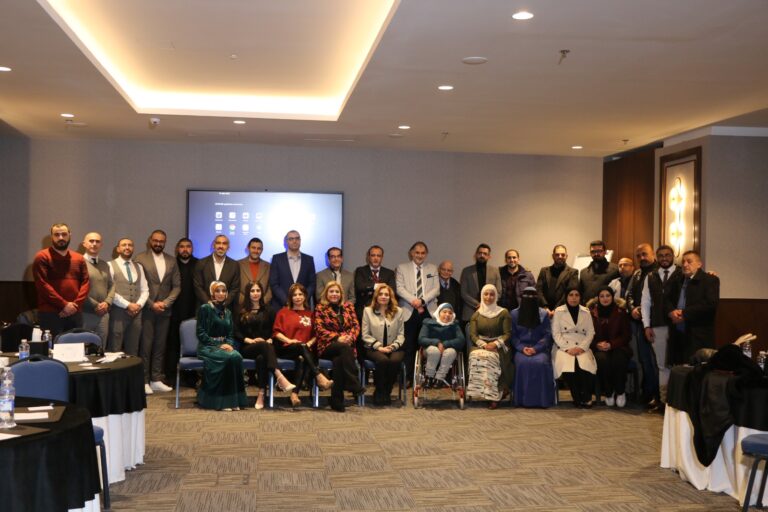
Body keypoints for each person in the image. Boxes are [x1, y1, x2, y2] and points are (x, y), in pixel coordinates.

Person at [235, 281, 296, 409]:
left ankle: (261, 394)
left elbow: (275, 330)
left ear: (262, 293)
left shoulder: (269, 310)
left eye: (258, 290)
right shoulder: (240, 310)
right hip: (247, 347)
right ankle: (279, 375)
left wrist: (270, 339)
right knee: (263, 346)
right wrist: (248, 340)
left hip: (265, 348)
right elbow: (235, 331)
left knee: (261, 358)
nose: (255, 293)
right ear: (248, 293)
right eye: (252, 291)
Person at [135, 230, 181, 395]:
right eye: (155, 240)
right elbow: (137, 286)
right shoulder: (140, 258)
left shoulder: (171, 260)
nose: (158, 244)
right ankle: (144, 380)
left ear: (165, 242)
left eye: (161, 241)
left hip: (164, 311)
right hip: (148, 309)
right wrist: (151, 304)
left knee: (160, 346)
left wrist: (166, 303)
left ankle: (156, 379)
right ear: (150, 241)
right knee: (145, 347)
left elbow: (177, 286)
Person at [272, 283, 331, 407]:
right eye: (295, 295)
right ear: (290, 297)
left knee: (302, 358)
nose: (298, 297)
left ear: (305, 296)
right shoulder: (283, 312)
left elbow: (317, 334)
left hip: (305, 350)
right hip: (286, 348)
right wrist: (289, 340)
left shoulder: (311, 314)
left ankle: (294, 395)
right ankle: (318, 375)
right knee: (301, 348)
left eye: (300, 294)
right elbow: (276, 333)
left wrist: (310, 343)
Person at [640, 244, 683, 412]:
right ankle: (664, 403)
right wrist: (646, 325)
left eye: (667, 255)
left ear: (673, 256)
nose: (664, 258)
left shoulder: (682, 273)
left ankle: (678, 402)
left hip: (680, 327)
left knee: (679, 365)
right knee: (662, 366)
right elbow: (645, 303)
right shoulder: (651, 276)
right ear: (656, 258)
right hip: (658, 325)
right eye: (661, 256)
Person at [195, 281, 248, 411]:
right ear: (212, 293)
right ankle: (221, 402)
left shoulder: (228, 312)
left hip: (224, 347)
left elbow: (230, 334)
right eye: (217, 291)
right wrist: (218, 344)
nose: (221, 293)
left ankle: (234, 400)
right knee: (229, 357)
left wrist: (229, 344)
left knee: (236, 356)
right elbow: (200, 333)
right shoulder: (205, 308)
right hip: (207, 347)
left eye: (223, 291)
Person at [33, 222, 89, 335]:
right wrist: (64, 305)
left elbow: (86, 283)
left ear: (69, 235)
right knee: (52, 345)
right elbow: (42, 285)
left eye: (64, 234)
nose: (61, 238)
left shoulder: (79, 258)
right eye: (57, 235)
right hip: (50, 313)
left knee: (76, 345)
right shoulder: (42, 256)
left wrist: (74, 306)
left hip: (75, 312)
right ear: (51, 237)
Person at [314, 282, 363, 412]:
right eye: (331, 291)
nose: (334, 294)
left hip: (346, 346)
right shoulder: (320, 308)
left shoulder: (348, 307)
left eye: (337, 292)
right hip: (327, 346)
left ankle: (337, 400)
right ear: (326, 293)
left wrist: (349, 337)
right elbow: (319, 329)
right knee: (344, 349)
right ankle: (353, 382)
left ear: (341, 294)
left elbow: (356, 326)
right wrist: (337, 338)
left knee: (339, 361)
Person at [666, 250, 720, 364]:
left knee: (697, 368)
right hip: (678, 333)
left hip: (698, 334)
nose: (685, 264)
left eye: (689, 261)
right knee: (679, 367)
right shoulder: (677, 280)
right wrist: (671, 312)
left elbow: (710, 304)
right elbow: (666, 299)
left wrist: (684, 314)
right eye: (683, 262)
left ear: (699, 264)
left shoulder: (710, 280)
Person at [396, 241, 439, 380]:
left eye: (423, 253)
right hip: (408, 311)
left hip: (428, 311)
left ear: (426, 254)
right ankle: (408, 378)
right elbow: (399, 288)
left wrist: (422, 301)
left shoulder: (433, 268)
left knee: (429, 345)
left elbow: (436, 289)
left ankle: (427, 377)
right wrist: (414, 301)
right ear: (411, 253)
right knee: (408, 345)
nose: (420, 256)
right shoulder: (401, 268)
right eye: (417, 253)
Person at [466, 284, 513, 408]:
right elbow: (473, 335)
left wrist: (495, 344)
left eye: (492, 294)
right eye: (486, 294)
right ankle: (481, 392)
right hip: (481, 346)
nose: (488, 297)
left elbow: (507, 334)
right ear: (482, 296)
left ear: (496, 296)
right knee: (476, 357)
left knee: (490, 359)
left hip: (500, 346)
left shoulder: (503, 313)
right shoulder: (476, 315)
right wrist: (483, 344)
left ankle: (495, 395)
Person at [361, 284, 407, 405]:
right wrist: (379, 347)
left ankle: (387, 391)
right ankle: (379, 390)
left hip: (394, 347)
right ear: (376, 296)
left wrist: (393, 346)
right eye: (381, 294)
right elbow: (365, 335)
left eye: (386, 294)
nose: (383, 296)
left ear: (390, 297)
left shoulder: (399, 311)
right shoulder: (368, 311)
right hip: (373, 348)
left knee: (395, 361)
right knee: (383, 361)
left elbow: (401, 334)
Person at [511, 287, 555, 408]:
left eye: (532, 297)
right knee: (522, 363)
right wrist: (522, 348)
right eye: (526, 296)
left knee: (541, 363)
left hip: (540, 349)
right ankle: (522, 400)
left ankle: (542, 400)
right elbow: (513, 336)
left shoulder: (543, 314)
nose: (529, 299)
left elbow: (547, 334)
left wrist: (536, 348)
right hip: (522, 349)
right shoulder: (514, 314)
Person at [552, 288, 596, 407]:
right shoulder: (559, 311)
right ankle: (577, 396)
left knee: (585, 367)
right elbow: (556, 333)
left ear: (580, 297)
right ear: (566, 297)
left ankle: (586, 396)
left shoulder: (586, 312)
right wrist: (567, 348)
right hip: (563, 347)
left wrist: (581, 348)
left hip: (582, 346)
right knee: (569, 367)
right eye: (571, 295)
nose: (574, 298)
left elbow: (590, 332)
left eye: (577, 295)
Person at [589, 287, 631, 408]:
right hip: (599, 348)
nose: (605, 298)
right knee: (602, 360)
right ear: (598, 298)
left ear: (612, 297)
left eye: (608, 295)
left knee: (618, 359)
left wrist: (611, 344)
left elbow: (626, 335)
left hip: (619, 347)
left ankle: (620, 391)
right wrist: (597, 344)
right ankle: (608, 392)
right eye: (602, 296)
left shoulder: (621, 312)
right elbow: (588, 335)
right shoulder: (591, 313)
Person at [107, 238, 148, 356]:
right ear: (118, 249)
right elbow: (110, 290)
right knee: (115, 348)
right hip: (117, 313)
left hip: (137, 314)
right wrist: (127, 305)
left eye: (130, 245)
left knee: (133, 349)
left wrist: (138, 305)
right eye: (124, 245)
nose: (127, 247)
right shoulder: (110, 265)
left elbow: (145, 289)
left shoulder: (139, 266)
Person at [168, 238, 199, 383]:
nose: (185, 249)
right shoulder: (172, 264)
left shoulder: (199, 264)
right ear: (177, 249)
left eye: (188, 246)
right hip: (174, 311)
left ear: (192, 249)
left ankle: (192, 378)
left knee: (193, 345)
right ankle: (172, 377)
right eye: (182, 246)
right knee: (173, 345)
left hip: (194, 311)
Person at [417, 302, 464, 389]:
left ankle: (439, 379)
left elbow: (461, 340)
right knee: (434, 351)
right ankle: (429, 377)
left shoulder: (454, 325)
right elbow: (421, 339)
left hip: (448, 350)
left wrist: (445, 344)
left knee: (451, 352)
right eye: (444, 312)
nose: (447, 315)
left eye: (450, 313)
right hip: (430, 350)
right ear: (439, 313)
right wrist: (437, 343)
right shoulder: (428, 323)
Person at [269, 230, 316, 311]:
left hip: (303, 307)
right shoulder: (277, 259)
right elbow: (274, 284)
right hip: (281, 306)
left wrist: (302, 299)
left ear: (300, 240)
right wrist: (287, 301)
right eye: (291, 239)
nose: (294, 241)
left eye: (297, 238)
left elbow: (312, 284)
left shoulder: (309, 259)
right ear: (286, 242)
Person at [81, 231, 114, 343]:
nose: (94, 244)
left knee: (101, 348)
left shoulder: (105, 264)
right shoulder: (78, 262)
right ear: (84, 244)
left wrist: (107, 303)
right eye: (91, 241)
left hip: (103, 315)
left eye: (97, 241)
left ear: (101, 245)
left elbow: (112, 285)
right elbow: (78, 288)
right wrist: (96, 305)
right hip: (86, 313)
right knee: (84, 348)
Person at [193, 234, 240, 309]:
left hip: (226, 309)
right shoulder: (201, 263)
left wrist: (224, 303)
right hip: (206, 309)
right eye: (218, 243)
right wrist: (209, 303)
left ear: (228, 247)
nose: (221, 246)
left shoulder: (234, 265)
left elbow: (235, 288)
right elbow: (197, 286)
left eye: (224, 243)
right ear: (213, 245)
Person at [460, 244, 501, 323]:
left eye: (485, 254)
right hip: (470, 311)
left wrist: (487, 304)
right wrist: (478, 304)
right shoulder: (466, 271)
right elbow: (463, 292)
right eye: (480, 253)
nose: (482, 255)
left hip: (490, 311)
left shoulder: (495, 271)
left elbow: (498, 292)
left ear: (489, 256)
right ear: (475, 255)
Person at [536, 244, 579, 317]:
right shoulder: (544, 271)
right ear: (553, 256)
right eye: (557, 254)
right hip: (544, 312)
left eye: (563, 255)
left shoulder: (573, 272)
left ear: (566, 256)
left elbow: (569, 293)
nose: (560, 256)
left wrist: (556, 309)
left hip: (563, 312)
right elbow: (538, 290)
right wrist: (545, 307)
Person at [237, 237, 271, 313]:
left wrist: (261, 302)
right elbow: (235, 287)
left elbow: (270, 287)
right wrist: (247, 302)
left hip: (263, 308)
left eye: (259, 248)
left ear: (262, 250)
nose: (256, 251)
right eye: (253, 248)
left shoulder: (268, 266)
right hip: (242, 308)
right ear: (248, 248)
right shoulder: (237, 264)